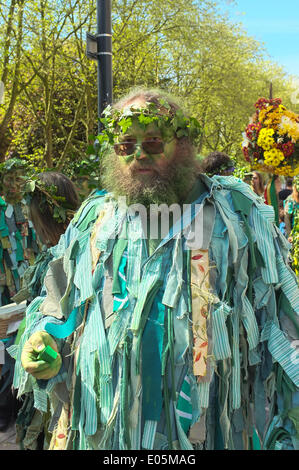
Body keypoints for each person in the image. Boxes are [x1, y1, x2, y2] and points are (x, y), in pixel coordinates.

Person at [10, 88, 299, 451]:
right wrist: (45, 339)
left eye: (153, 141)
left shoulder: (237, 214)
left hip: (203, 434)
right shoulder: (96, 220)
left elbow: (282, 327)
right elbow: (58, 303)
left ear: (182, 144)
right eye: (126, 144)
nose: (138, 154)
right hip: (110, 434)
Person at [12, 171, 80, 450]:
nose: (29, 222)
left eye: (32, 215)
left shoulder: (70, 253)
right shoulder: (55, 252)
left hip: (65, 369)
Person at [0, 158, 39, 433]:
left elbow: (34, 247)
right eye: (9, 178)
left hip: (24, 289)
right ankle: (4, 409)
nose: (14, 183)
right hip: (3, 290)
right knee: (2, 349)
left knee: (20, 342)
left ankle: (16, 404)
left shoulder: (28, 210)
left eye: (19, 178)